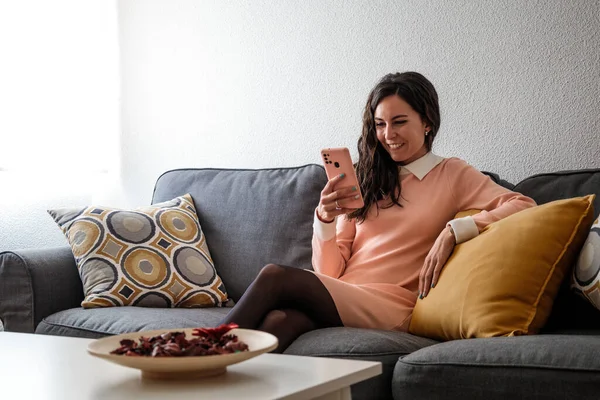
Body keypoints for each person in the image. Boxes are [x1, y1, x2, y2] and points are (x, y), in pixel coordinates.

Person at [220, 71, 536, 352]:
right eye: (380, 124)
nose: (388, 135)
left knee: (275, 275)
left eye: (399, 122)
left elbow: (522, 205)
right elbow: (330, 273)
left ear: (427, 122)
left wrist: (456, 230)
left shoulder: (452, 173)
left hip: (394, 302)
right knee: (280, 322)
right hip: (346, 293)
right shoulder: (365, 180)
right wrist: (325, 220)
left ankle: (198, 345)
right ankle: (211, 383)